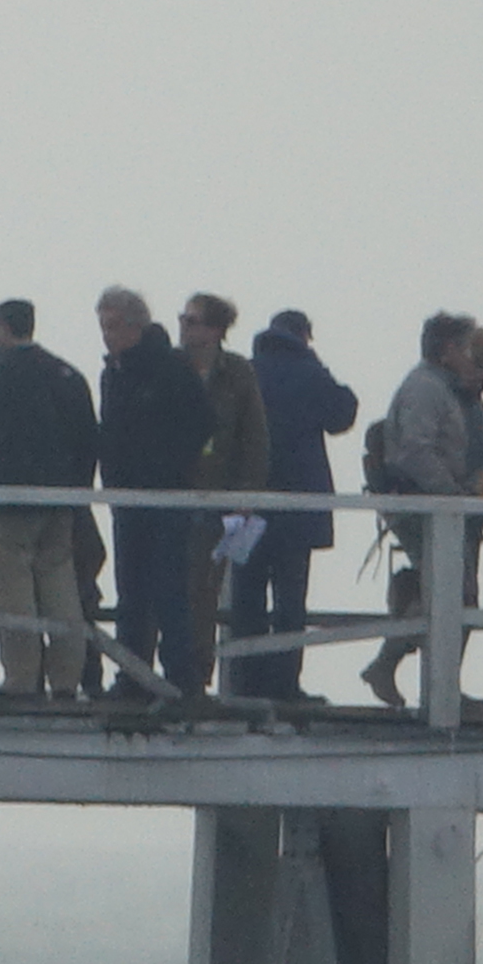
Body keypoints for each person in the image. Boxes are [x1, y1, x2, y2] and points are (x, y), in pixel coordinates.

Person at [0, 299, 99, 703]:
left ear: (1, 328)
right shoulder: (67, 374)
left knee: (14, 591)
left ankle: (22, 680)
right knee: (61, 589)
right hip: (60, 501)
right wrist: (76, 492)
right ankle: (66, 680)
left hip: (9, 502)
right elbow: (88, 438)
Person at [359, 312, 483, 710]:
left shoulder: (446, 390)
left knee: (448, 591)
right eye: (468, 347)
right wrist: (452, 495)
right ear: (448, 350)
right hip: (427, 508)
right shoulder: (427, 389)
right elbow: (415, 450)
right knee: (455, 591)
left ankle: (433, 679)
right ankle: (413, 675)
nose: (474, 356)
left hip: (438, 508)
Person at [231, 310, 358, 701]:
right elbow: (342, 414)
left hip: (245, 505)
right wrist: (316, 365)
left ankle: (245, 683)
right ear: (304, 335)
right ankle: (285, 685)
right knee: (290, 601)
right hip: (297, 511)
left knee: (246, 598)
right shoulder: (309, 372)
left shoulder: (245, 371)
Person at [96, 286, 214, 701]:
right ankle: (132, 674)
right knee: (130, 591)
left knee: (169, 590)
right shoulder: (113, 372)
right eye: (102, 327)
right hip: (127, 501)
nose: (106, 335)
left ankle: (182, 679)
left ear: (134, 325)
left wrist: (168, 466)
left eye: (112, 326)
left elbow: (202, 423)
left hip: (165, 498)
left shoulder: (171, 368)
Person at [177, 293, 270, 689]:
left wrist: (247, 492)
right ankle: (152, 677)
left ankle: (195, 680)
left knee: (203, 594)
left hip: (216, 504)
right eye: (183, 318)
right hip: (171, 500)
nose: (183, 326)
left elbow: (254, 437)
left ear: (215, 330)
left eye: (193, 320)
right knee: (160, 592)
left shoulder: (238, 373)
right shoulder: (170, 367)